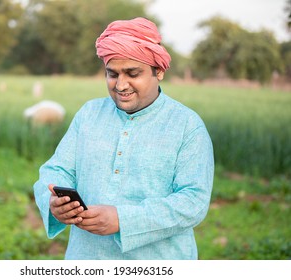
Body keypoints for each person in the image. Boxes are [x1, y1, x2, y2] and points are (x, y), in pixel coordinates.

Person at [33, 17, 214, 260]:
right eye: (112, 73)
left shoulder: (186, 125)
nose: (120, 85)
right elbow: (56, 170)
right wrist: (54, 204)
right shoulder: (89, 114)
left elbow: (193, 202)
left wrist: (122, 219)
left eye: (132, 73)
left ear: (158, 71)